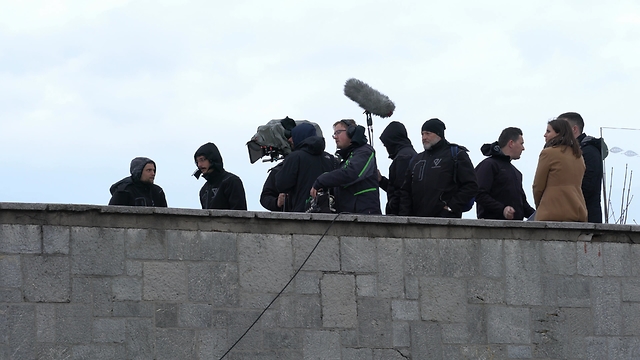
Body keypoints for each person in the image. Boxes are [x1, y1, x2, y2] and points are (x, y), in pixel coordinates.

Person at [399, 118, 478, 218]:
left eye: (428, 133)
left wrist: (451, 207)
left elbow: (471, 185)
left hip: (447, 222)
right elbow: (406, 190)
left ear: (438, 134)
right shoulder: (416, 160)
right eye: (422, 134)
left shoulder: (456, 154)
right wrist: (405, 216)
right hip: (417, 222)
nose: (424, 137)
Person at [310, 119, 381, 214]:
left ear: (351, 132)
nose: (335, 137)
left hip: (365, 217)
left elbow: (351, 173)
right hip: (350, 216)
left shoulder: (365, 152)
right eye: (334, 134)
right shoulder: (346, 159)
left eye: (338, 132)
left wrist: (322, 180)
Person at [532, 119, 587, 222]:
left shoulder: (548, 153)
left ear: (559, 133)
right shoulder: (578, 155)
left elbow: (538, 186)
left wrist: (541, 206)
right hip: (577, 210)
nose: (545, 135)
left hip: (551, 211)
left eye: (548, 131)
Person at [475, 127, 535, 220]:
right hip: (491, 229)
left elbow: (522, 204)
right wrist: (502, 209)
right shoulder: (489, 165)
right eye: (521, 143)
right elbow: (478, 193)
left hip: (516, 230)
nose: (523, 148)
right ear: (511, 143)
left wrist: (538, 215)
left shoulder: (517, 173)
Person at [275, 123, 338, 212]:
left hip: (302, 215)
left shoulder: (295, 157)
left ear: (300, 137)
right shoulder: (331, 159)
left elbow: (281, 185)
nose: (290, 140)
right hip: (328, 216)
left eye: (293, 136)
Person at [557, 112, 604, 223]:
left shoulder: (589, 152)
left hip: (585, 219)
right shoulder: (569, 151)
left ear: (574, 129)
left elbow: (588, 187)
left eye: (562, 128)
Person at [193, 142, 247, 210]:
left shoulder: (231, 182)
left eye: (202, 159)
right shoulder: (203, 190)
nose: (199, 165)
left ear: (212, 159)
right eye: (197, 162)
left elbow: (241, 215)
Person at [378, 121, 417, 215]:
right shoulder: (409, 154)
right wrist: (381, 181)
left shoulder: (403, 158)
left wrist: (397, 216)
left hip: (401, 216)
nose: (386, 148)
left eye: (386, 144)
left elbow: (402, 191)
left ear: (392, 141)